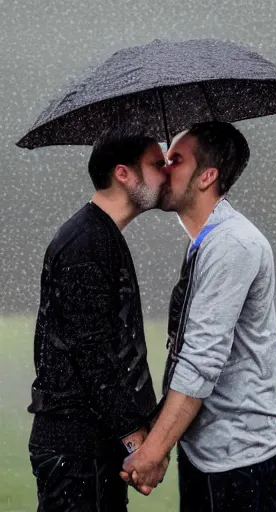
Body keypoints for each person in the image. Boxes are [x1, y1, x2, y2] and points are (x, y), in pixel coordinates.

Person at [122, 121, 276, 511]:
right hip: (211, 449)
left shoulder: (231, 244)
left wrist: (153, 451)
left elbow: (201, 360)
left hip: (238, 455)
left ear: (207, 177)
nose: (163, 167)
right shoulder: (207, 241)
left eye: (175, 159)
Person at [28, 126, 170, 511]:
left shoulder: (101, 235)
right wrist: (135, 437)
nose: (167, 172)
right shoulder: (86, 243)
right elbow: (89, 354)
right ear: (123, 174)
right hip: (75, 451)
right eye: (157, 164)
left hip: (89, 448)